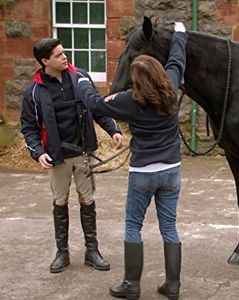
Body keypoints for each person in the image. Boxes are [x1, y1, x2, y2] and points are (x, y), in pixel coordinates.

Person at [76, 22, 187, 299]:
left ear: (136, 80)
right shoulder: (171, 87)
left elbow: (95, 104)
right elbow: (177, 59)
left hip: (143, 173)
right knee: (170, 226)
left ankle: (132, 285)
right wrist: (181, 34)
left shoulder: (128, 100)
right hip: (172, 170)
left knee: (133, 226)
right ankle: (172, 286)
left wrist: (82, 81)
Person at [20, 38, 123, 273]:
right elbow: (29, 127)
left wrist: (113, 130)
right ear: (45, 61)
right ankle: (62, 253)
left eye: (63, 52)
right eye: (58, 55)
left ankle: (92, 251)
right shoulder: (34, 91)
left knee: (88, 201)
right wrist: (38, 153)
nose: (64, 57)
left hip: (83, 152)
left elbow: (97, 107)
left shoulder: (80, 77)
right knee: (60, 202)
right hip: (57, 158)